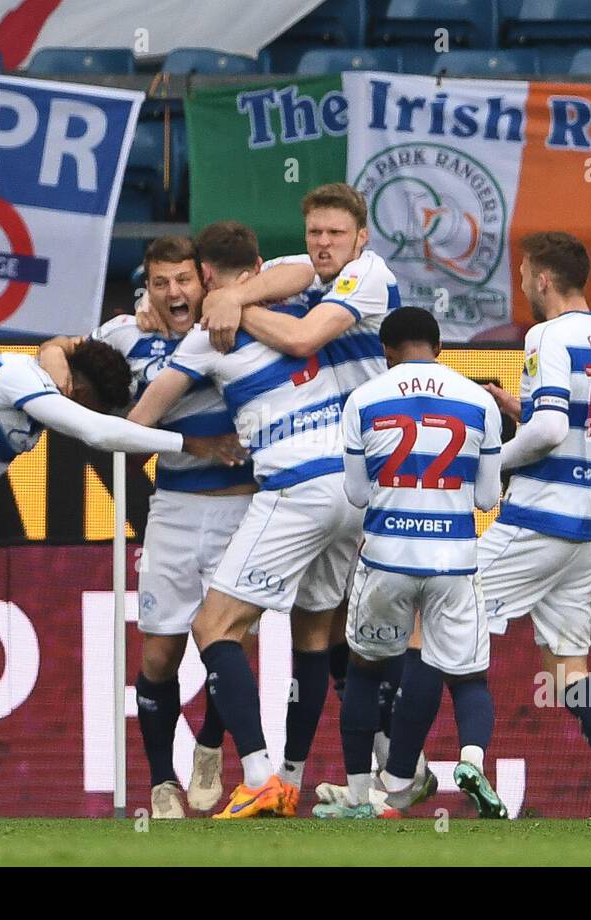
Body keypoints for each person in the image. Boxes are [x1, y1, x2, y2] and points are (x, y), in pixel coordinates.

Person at [0, 340, 244, 819]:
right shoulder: (14, 373)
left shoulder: (35, 404)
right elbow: (97, 431)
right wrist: (188, 443)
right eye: (87, 402)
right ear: (78, 387)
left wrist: (56, 352)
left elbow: (68, 362)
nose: (79, 413)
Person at [130, 195, 397, 819]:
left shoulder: (208, 338)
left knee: (214, 627)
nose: (322, 243)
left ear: (203, 279)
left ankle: (258, 774)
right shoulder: (301, 292)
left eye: (335, 232)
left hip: (297, 483)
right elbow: (302, 271)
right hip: (354, 483)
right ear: (254, 264)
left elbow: (139, 420)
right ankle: (342, 778)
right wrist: (236, 298)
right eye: (315, 232)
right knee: (322, 635)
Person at [37, 236, 306, 819]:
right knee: (159, 654)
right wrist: (56, 356)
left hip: (242, 505)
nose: (173, 293)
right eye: (161, 282)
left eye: (183, 280)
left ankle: (210, 748)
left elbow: (300, 270)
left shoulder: (225, 321)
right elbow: (56, 347)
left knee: (225, 639)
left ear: (202, 279)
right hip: (175, 507)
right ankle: (162, 782)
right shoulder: (120, 334)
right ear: (147, 284)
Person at [480, 232, 591, 820]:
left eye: (525, 273)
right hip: (588, 523)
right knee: (566, 670)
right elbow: (574, 423)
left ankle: (396, 780)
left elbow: (551, 431)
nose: (523, 284)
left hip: (537, 515)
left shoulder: (546, 335)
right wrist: (517, 409)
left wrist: (488, 462)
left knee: (434, 617)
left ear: (544, 278)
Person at [317, 306, 507, 820]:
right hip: (454, 562)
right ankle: (471, 759)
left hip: (385, 558)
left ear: (386, 351)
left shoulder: (362, 399)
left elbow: (356, 496)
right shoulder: (477, 401)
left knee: (363, 670)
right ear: (440, 348)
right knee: (469, 677)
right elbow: (488, 498)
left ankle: (360, 798)